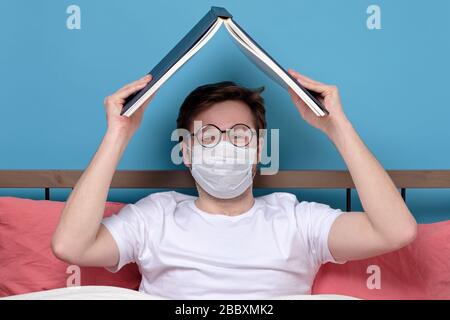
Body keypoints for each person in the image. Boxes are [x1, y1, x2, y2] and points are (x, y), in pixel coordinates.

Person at [51, 70, 417, 299]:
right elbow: (71, 246)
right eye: (208, 136)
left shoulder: (296, 220)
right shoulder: (155, 216)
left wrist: (337, 128)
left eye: (240, 135)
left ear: (259, 150)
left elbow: (395, 231)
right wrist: (118, 133)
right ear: (187, 151)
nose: (224, 145)